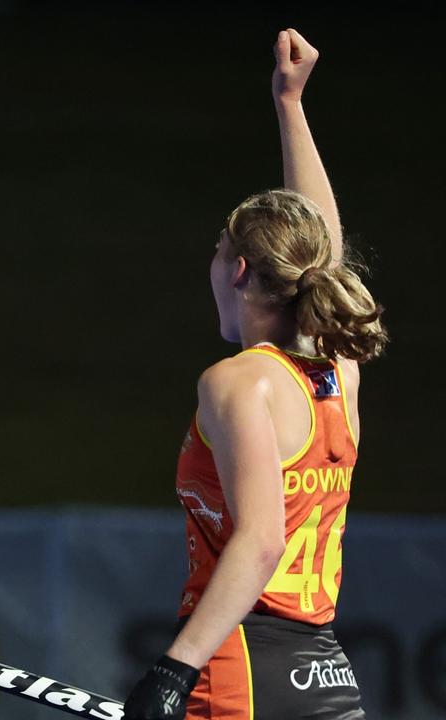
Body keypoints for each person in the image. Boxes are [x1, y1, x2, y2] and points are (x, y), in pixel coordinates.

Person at [123, 30, 386, 720]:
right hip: (326, 674)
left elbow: (262, 539)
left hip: (242, 670)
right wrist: (290, 105)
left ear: (238, 270)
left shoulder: (238, 382)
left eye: (218, 250)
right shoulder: (336, 373)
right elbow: (326, 251)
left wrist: (174, 669)